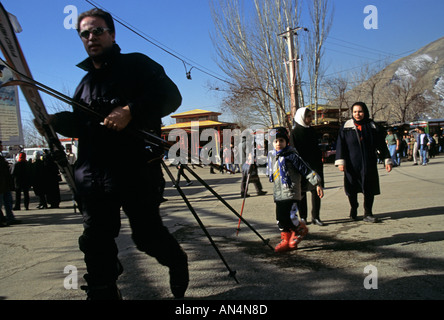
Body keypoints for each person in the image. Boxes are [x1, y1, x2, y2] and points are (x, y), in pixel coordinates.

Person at [34, 9, 187, 300]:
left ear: (112, 34)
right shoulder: (84, 85)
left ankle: (176, 260)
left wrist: (131, 110)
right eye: (85, 33)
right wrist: (53, 123)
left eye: (98, 31)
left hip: (136, 171)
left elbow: (171, 96)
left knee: (146, 237)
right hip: (93, 176)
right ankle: (102, 290)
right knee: (95, 240)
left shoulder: (137, 64)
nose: (91, 37)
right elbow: (83, 124)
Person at [267, 127, 323, 253]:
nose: (278, 144)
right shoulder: (273, 157)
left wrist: (317, 183)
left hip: (291, 192)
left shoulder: (292, 156)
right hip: (278, 193)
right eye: (275, 141)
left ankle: (300, 229)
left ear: (287, 142)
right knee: (281, 219)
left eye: (281, 140)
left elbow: (306, 170)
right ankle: (286, 240)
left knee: (291, 216)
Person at [335, 102, 393, 223]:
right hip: (352, 163)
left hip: (369, 163)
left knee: (369, 188)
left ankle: (368, 213)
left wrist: (387, 160)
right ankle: (354, 208)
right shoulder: (346, 127)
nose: (357, 114)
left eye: (360, 111)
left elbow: (381, 145)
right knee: (351, 189)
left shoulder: (372, 126)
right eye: (355, 112)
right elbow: (341, 145)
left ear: (365, 112)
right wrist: (341, 162)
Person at [290, 107, 325, 226]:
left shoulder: (312, 131)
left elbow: (316, 148)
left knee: (316, 190)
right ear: (301, 117)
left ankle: (316, 217)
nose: (310, 119)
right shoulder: (294, 132)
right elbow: (294, 151)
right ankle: (303, 217)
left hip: (314, 165)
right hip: (301, 167)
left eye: (311, 116)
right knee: (302, 193)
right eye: (308, 116)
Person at [0, 141, 20, 226]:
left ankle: (10, 218)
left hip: (5, 185)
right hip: (1, 185)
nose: (1, 147)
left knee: (8, 202)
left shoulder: (1, 158)